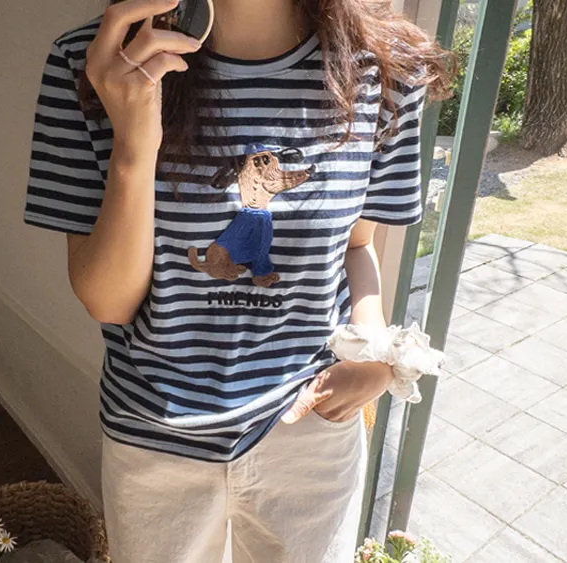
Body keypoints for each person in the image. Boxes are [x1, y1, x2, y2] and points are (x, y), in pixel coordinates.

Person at [23, 0, 453, 561]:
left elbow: (358, 243)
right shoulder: (93, 61)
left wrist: (374, 359)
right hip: (156, 436)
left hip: (311, 426)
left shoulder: (384, 67)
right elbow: (109, 302)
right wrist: (134, 147)